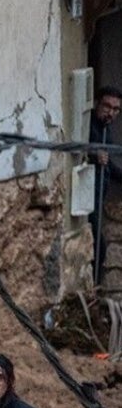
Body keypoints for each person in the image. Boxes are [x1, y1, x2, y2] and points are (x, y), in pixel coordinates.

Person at [89, 85, 122, 282]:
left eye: (116, 109)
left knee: (100, 248)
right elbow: (78, 146)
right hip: (87, 199)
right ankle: (94, 293)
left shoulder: (105, 130)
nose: (110, 112)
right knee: (98, 248)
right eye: (107, 106)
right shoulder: (90, 125)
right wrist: (93, 154)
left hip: (98, 198)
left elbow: (109, 165)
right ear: (96, 104)